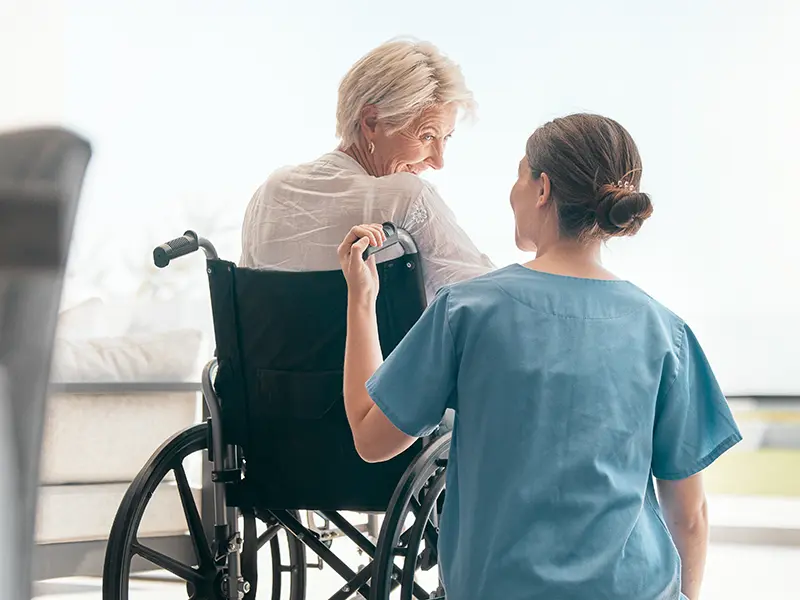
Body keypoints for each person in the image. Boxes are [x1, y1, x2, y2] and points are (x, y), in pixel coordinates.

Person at [337, 113, 742, 600]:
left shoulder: (467, 310)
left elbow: (371, 436)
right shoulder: (664, 330)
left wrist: (361, 299)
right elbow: (690, 515)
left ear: (543, 188)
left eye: (519, 174)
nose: (513, 190)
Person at [240, 38, 494, 301]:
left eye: (446, 138)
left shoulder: (268, 194)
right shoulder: (405, 198)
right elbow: (491, 302)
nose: (438, 161)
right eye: (427, 136)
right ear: (372, 122)